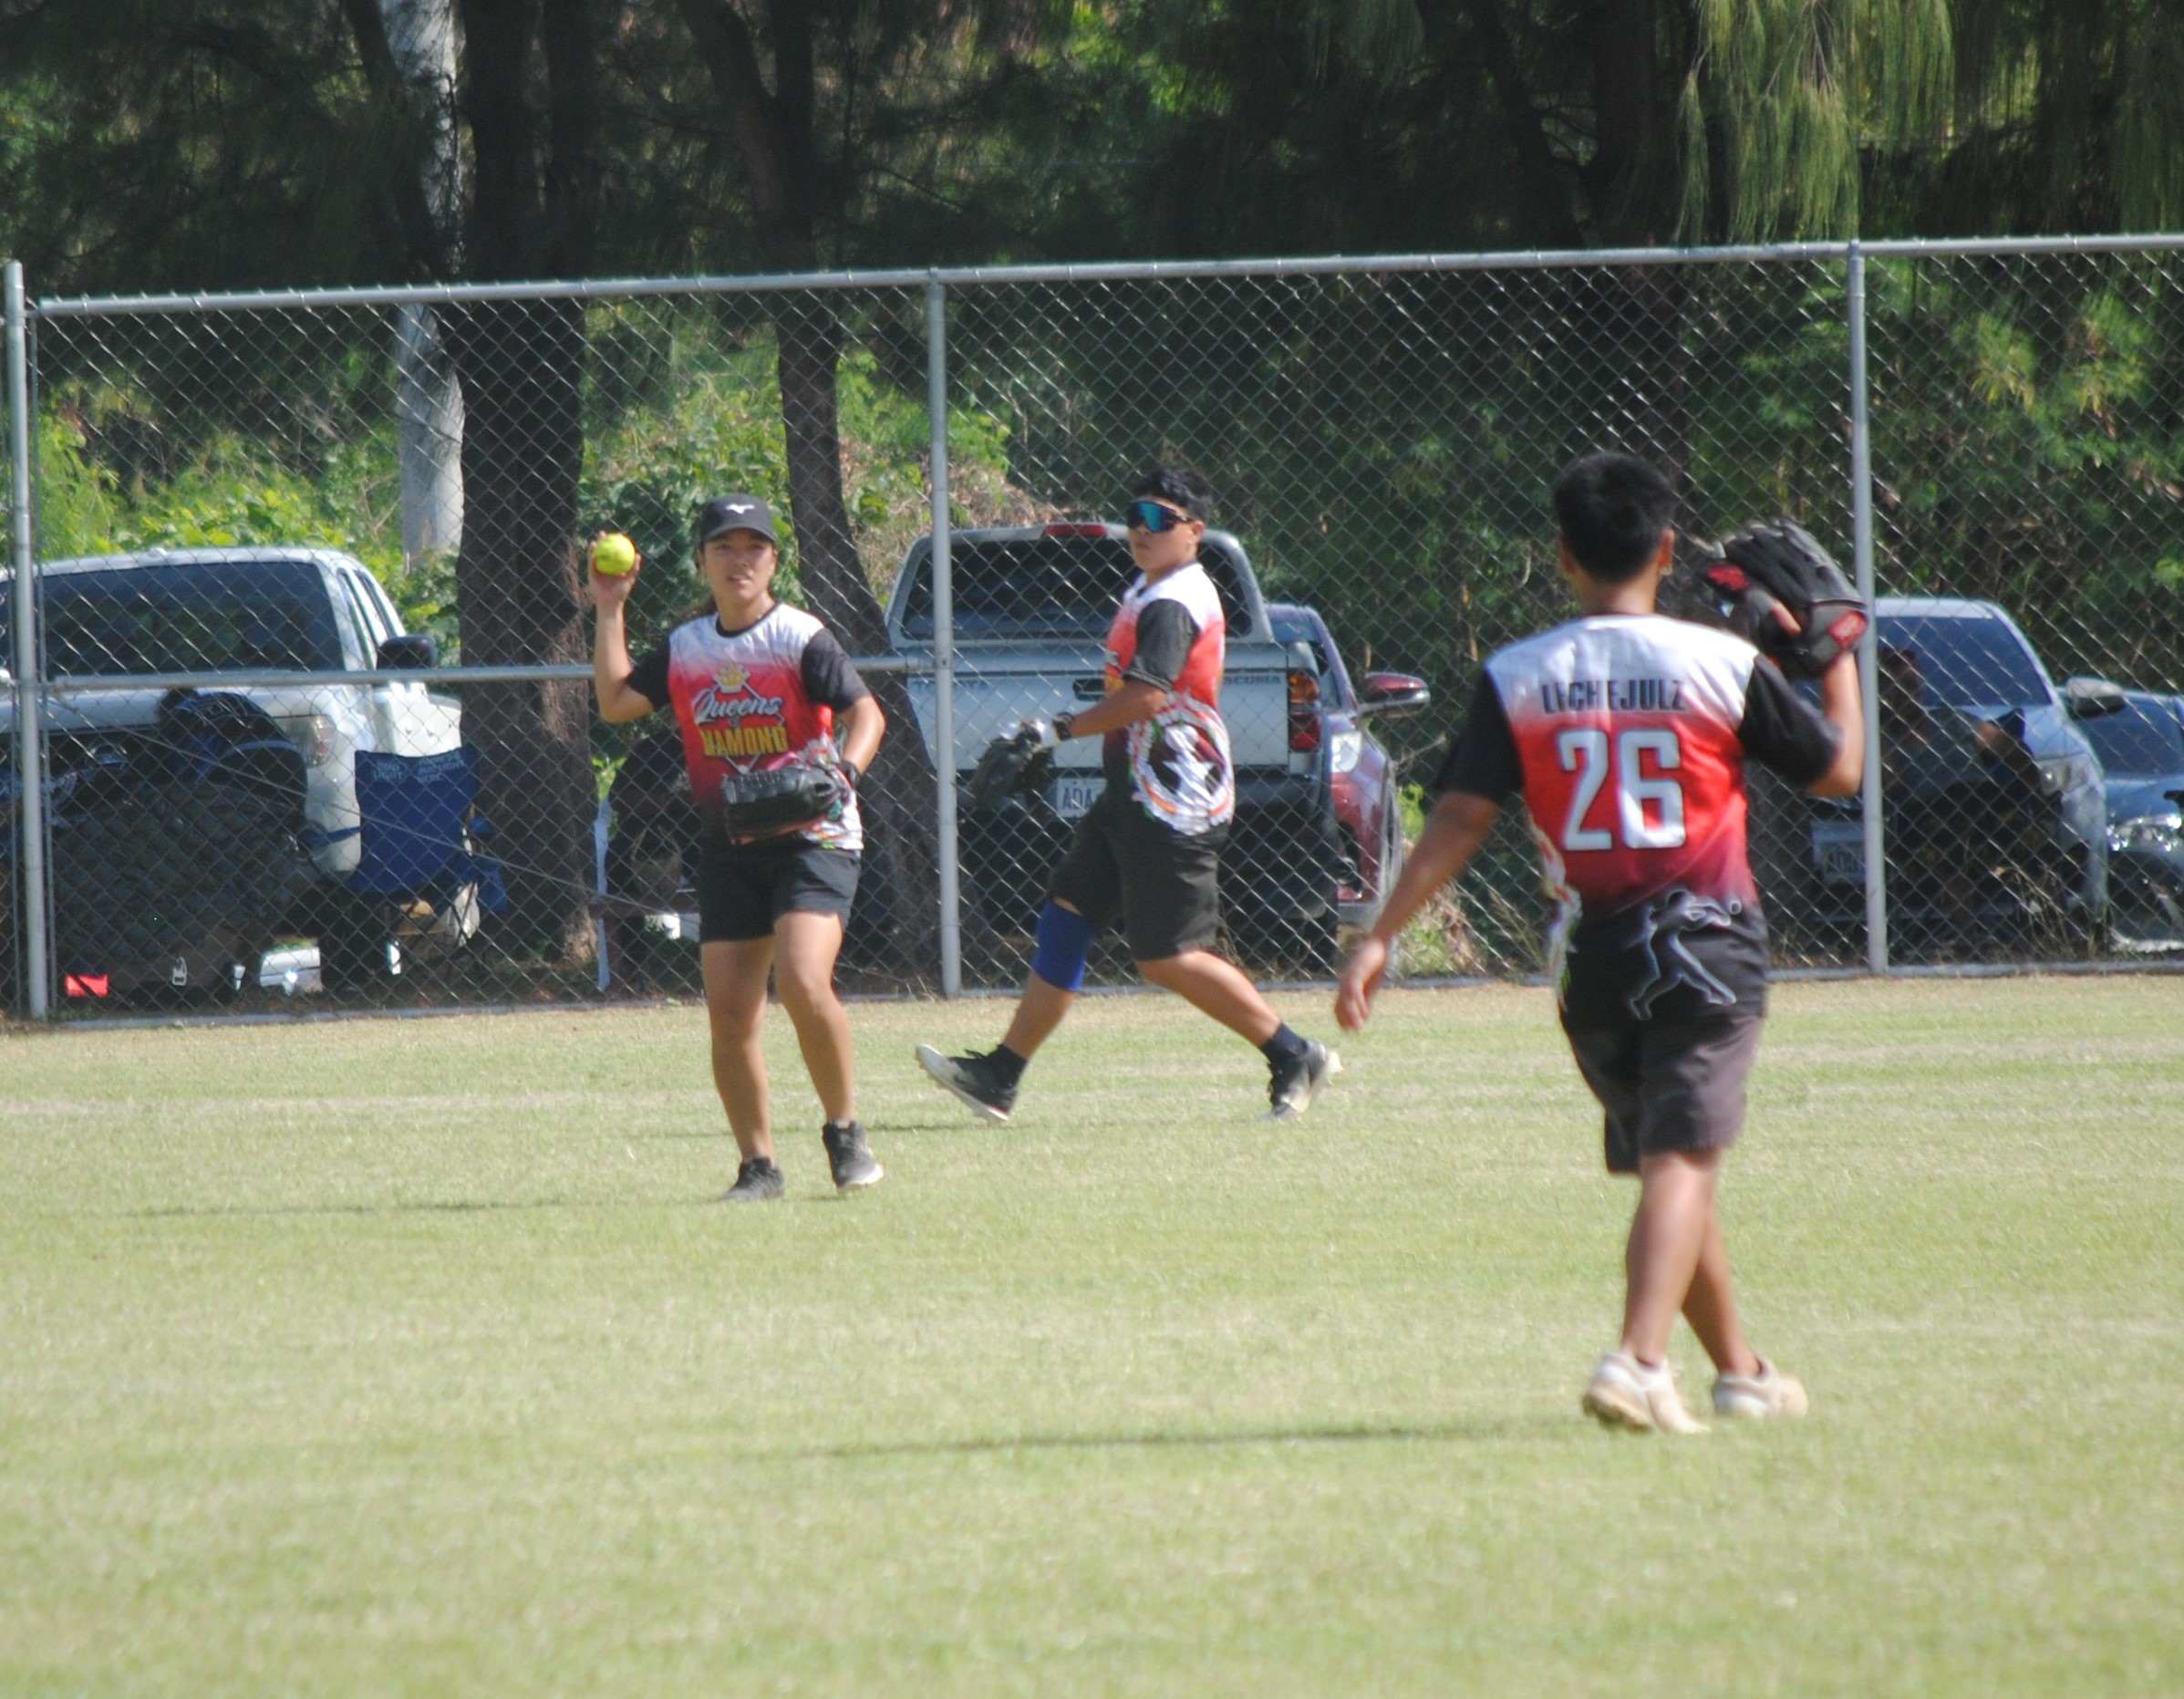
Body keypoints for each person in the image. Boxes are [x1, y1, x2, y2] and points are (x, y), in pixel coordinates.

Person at [1335, 453, 1864, 1433]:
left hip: (1592, 966)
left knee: (1675, 1157)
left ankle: (1742, 1374)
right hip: (1708, 946)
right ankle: (1637, 1360)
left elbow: (1456, 819)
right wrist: (1837, 656)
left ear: (1561, 557)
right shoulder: (1721, 662)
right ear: (1667, 550)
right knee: (1681, 1162)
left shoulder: (1519, 673)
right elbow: (1837, 773)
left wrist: (1379, 937)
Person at [916, 464, 1341, 1124]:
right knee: (1066, 917)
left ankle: (1294, 1054)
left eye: (1157, 519)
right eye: (1134, 516)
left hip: (1175, 798)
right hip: (1135, 791)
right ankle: (1001, 1075)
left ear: (1193, 532)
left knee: (1168, 956)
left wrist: (1051, 730)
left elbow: (1147, 694)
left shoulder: (1175, 600)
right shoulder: (1150, 588)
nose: (1140, 530)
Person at [590, 495, 888, 1202]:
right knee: (729, 1010)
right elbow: (616, 703)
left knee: (803, 978)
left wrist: (844, 772)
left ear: (774, 561)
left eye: (754, 546)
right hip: (730, 841)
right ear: (703, 561)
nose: (739, 559)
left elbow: (866, 712)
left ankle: (844, 1131)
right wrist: (609, 608)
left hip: (814, 836)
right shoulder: (689, 647)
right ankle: (759, 1166)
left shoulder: (799, 637)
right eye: (724, 546)